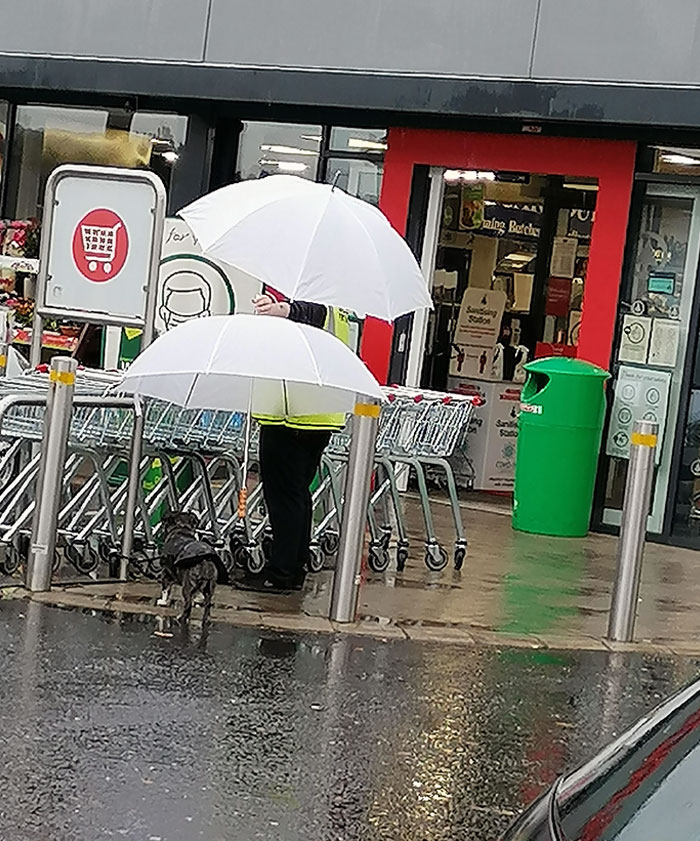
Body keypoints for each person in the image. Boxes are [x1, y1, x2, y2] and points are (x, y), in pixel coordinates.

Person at [236, 289, 350, 593]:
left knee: (284, 497)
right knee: (297, 495)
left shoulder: (318, 302)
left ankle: (282, 573)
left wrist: (281, 310)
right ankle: (292, 569)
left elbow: (309, 312)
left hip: (292, 416)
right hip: (316, 416)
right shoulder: (339, 308)